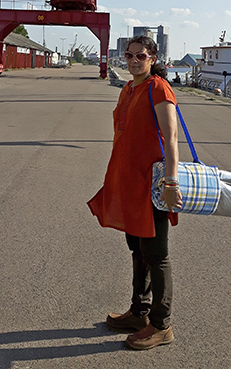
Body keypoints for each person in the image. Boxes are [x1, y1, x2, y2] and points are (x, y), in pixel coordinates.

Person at [87, 35, 182, 350]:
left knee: (156, 254)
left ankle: (161, 325)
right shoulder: (128, 89)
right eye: (129, 55)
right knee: (137, 249)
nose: (133, 61)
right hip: (129, 182)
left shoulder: (159, 88)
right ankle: (139, 313)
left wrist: (171, 183)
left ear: (153, 58)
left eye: (140, 56)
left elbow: (171, 138)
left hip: (152, 185)